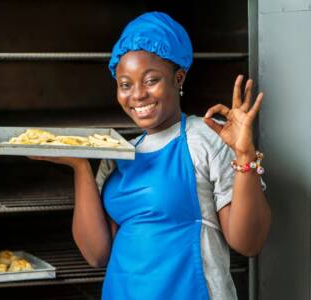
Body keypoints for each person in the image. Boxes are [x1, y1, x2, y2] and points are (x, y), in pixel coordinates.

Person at [30, 11, 271, 300]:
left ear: (178, 78)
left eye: (150, 80)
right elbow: (97, 255)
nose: (138, 95)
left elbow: (248, 242)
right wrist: (80, 164)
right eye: (125, 84)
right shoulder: (116, 152)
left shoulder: (205, 137)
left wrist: (244, 155)